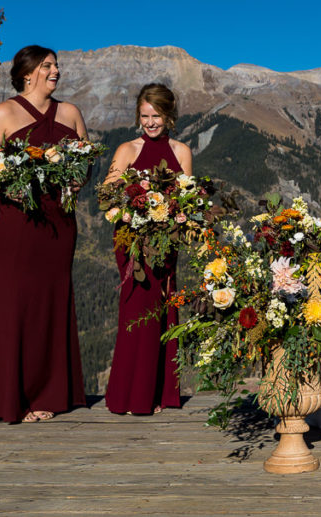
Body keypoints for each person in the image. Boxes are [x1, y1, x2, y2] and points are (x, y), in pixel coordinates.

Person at [0, 45, 89, 423]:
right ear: (27, 73)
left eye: (57, 65)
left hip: (58, 223)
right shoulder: (3, 113)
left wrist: (76, 180)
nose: (56, 71)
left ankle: (46, 392)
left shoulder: (70, 112)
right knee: (10, 304)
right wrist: (6, 184)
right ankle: (5, 395)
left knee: (49, 301)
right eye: (48, 66)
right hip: (12, 224)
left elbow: (85, 164)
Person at [103, 84, 192, 415]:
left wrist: (181, 213)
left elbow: (187, 196)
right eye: (144, 116)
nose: (150, 122)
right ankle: (128, 395)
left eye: (156, 116)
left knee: (160, 309)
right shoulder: (127, 149)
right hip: (132, 241)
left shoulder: (181, 151)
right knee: (135, 310)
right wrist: (129, 208)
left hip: (165, 241)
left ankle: (156, 393)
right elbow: (109, 194)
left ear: (169, 116)